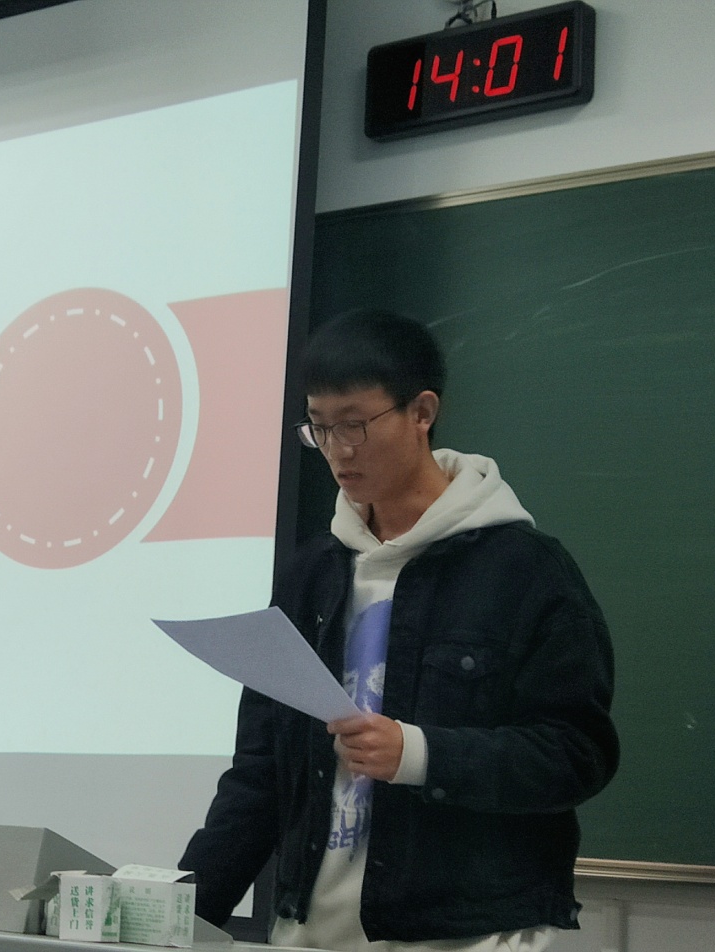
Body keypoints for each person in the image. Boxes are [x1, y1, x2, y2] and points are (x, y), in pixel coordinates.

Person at [179, 310, 619, 951]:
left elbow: (577, 756)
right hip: (310, 931)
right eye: (319, 427)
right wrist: (177, 913)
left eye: (355, 424)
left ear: (422, 412)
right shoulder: (312, 575)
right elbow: (261, 774)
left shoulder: (524, 571)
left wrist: (420, 755)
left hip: (463, 935)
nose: (339, 449)